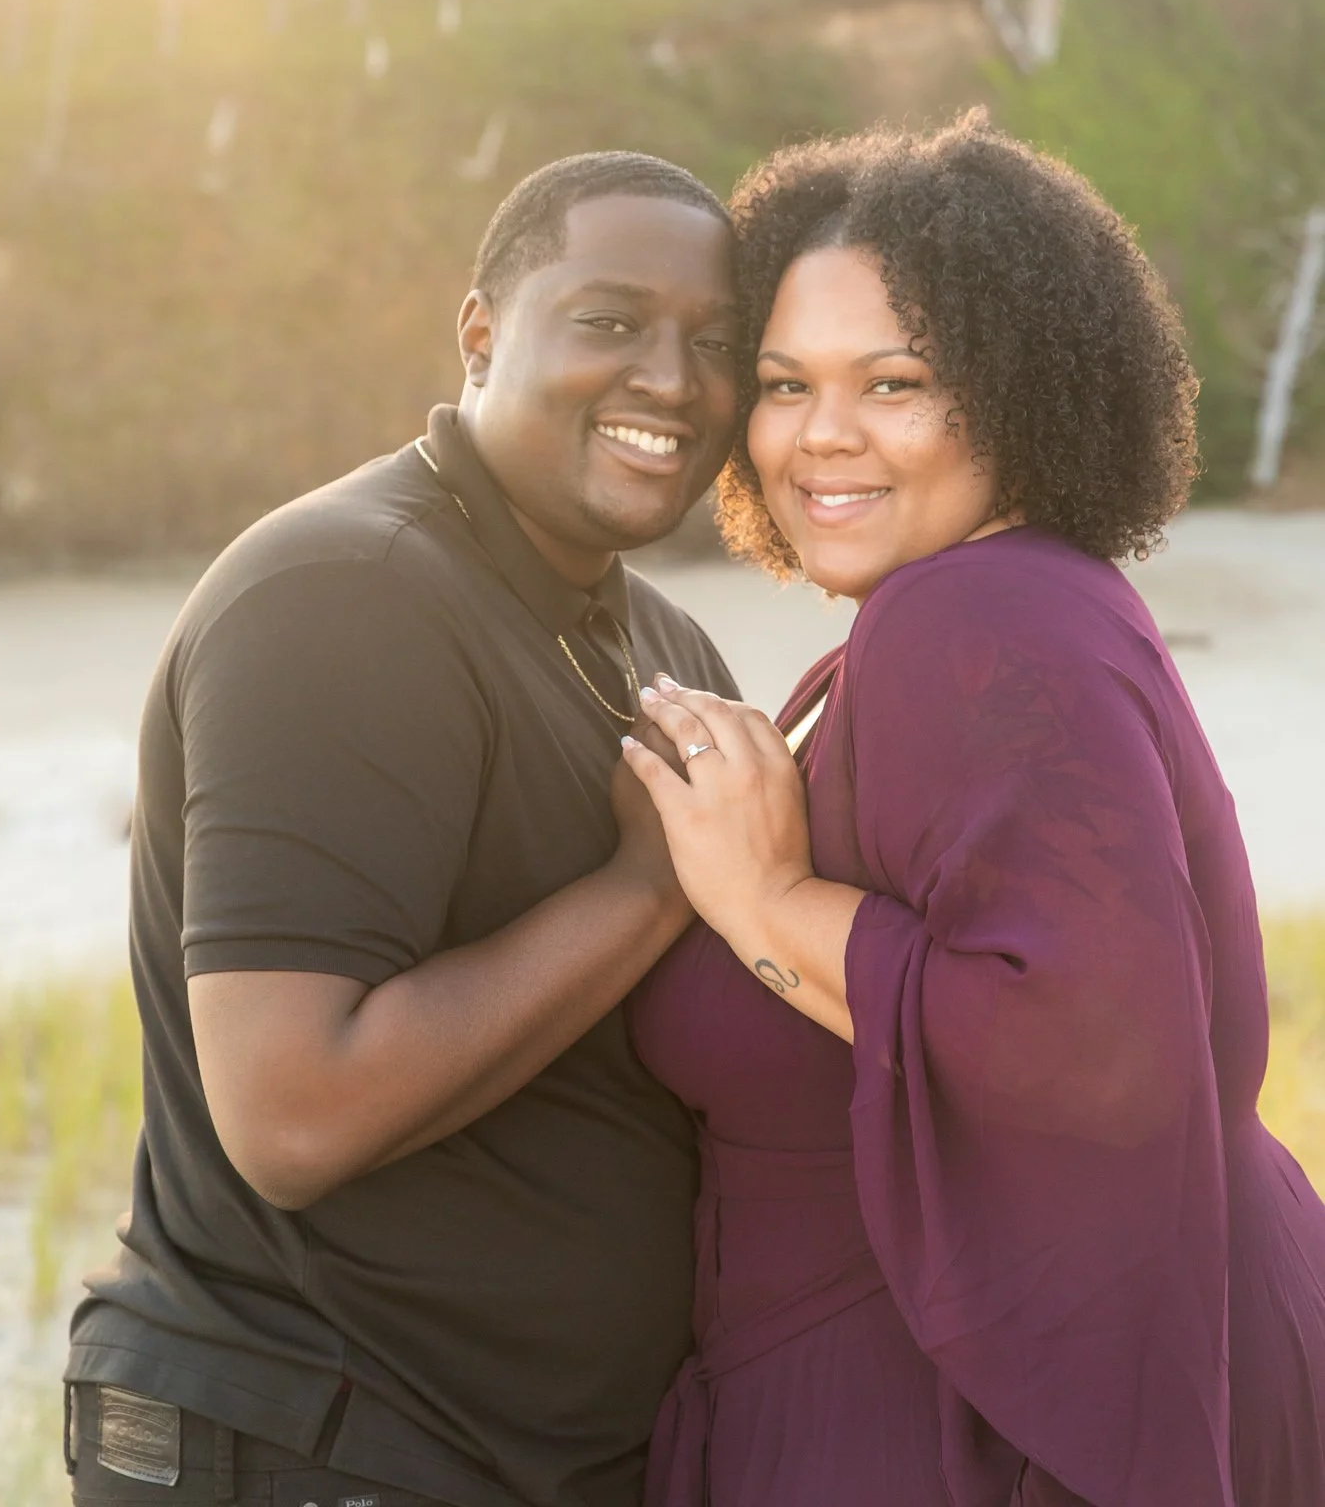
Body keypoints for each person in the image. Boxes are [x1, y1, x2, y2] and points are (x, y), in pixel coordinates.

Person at [620, 115, 1325, 1507]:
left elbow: (1093, 1047)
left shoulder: (972, 615)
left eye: (895, 381)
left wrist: (765, 902)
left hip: (978, 1431)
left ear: (1019, 393)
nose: (822, 434)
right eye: (783, 383)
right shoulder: (1014, 602)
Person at [66, 151, 743, 1507]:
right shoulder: (345, 594)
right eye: (610, 322)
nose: (671, 379)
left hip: (519, 1456)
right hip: (314, 1439)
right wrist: (642, 886)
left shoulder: (656, 641)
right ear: (482, 333)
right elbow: (294, 1115)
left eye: (718, 343)